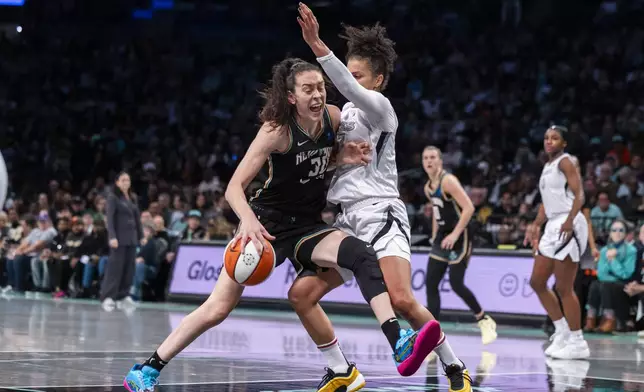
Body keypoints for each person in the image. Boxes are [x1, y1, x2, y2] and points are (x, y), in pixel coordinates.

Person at [124, 57, 438, 392]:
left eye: (320, 87)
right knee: (217, 309)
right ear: (291, 97)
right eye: (308, 90)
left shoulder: (333, 118)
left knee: (361, 254)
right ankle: (148, 369)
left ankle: (396, 340)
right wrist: (246, 221)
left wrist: (340, 157)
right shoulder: (276, 130)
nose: (317, 95)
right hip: (265, 226)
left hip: (306, 226)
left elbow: (321, 160)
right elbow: (233, 188)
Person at [296, 5, 470, 391]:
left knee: (402, 300)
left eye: (358, 75)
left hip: (381, 213)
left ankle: (455, 367)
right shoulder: (341, 117)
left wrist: (316, 44)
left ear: (378, 80)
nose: (350, 82)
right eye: (349, 72)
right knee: (302, 294)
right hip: (344, 221)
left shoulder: (381, 110)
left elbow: (348, 88)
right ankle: (340, 369)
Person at [524, 125, 590, 359]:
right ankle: (561, 331)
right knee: (537, 281)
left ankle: (577, 341)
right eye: (546, 138)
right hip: (553, 222)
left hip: (568, 221)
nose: (549, 141)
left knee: (564, 286)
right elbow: (546, 203)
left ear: (564, 143)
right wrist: (536, 225)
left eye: (555, 138)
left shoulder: (566, 161)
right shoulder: (548, 166)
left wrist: (571, 220)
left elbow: (579, 194)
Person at [421, 146, 497, 344]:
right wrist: (435, 235)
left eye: (433, 157)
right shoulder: (428, 187)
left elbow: (469, 208)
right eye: (426, 158)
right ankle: (433, 335)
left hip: (460, 235)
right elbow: (437, 214)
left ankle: (484, 320)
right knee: (431, 283)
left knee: (456, 282)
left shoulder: (448, 181)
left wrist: (455, 235)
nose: (429, 161)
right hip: (443, 237)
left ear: (440, 161)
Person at [586, 220, 637, 333]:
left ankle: (610, 319)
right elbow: (601, 273)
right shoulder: (604, 250)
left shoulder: (631, 250)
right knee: (595, 284)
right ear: (610, 233)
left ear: (625, 233)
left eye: (621, 230)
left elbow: (626, 274)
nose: (617, 233)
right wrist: (612, 273)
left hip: (624, 285)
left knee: (606, 285)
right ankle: (591, 318)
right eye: (614, 230)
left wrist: (613, 260)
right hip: (609, 282)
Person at [102, 171, 142, 311]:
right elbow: (110, 219)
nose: (126, 183)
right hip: (118, 238)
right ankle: (108, 296)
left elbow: (137, 218)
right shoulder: (113, 198)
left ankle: (123, 295)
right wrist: (112, 236)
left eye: (128, 180)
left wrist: (141, 235)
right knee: (115, 268)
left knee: (129, 267)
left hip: (131, 238)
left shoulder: (133, 197)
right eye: (123, 180)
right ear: (117, 182)